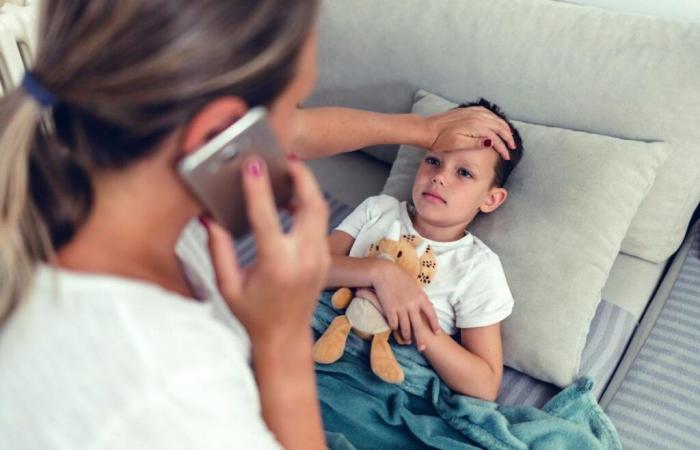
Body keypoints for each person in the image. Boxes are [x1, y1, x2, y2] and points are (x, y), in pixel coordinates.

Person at [0, 1, 515, 449]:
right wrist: (282, 341)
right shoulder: (166, 378)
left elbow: (298, 134)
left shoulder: (69, 193)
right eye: (293, 106)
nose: (291, 142)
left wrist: (422, 131)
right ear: (221, 132)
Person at [321, 99, 523, 400]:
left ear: (491, 199)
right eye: (433, 161)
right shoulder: (378, 210)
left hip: (386, 381)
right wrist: (377, 273)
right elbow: (303, 267)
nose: (440, 176)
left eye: (464, 173)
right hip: (321, 336)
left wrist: (417, 323)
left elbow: (485, 384)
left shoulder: (477, 268)